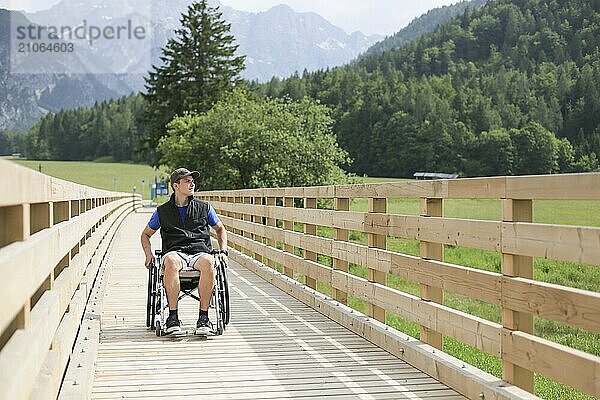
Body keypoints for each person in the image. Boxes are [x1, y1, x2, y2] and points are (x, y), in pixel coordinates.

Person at [141, 167, 228, 335]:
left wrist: (223, 251)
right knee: (171, 262)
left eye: (192, 181)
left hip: (199, 252)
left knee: (210, 261)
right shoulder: (162, 211)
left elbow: (220, 229)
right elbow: (145, 235)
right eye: (187, 181)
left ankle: (204, 317)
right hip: (175, 252)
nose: (192, 184)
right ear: (176, 185)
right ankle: (172, 317)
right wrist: (148, 255)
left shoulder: (204, 208)